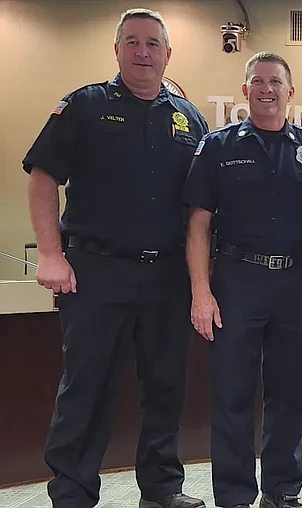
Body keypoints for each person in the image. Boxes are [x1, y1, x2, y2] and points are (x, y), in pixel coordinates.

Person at [22, 8, 207, 508]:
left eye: (153, 43)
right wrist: (50, 255)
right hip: (96, 272)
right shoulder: (83, 106)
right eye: (132, 42)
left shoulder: (190, 119)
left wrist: (200, 280)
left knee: (166, 384)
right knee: (88, 385)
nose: (143, 51)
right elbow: (42, 178)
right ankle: (73, 492)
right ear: (117, 50)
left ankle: (162, 489)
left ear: (168, 53)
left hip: (167, 275)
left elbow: (200, 208)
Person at [183, 51, 302, 508]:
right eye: (257, 81)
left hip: (295, 281)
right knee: (233, 391)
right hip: (236, 279)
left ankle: (282, 491)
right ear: (245, 89)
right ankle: (233, 495)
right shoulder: (218, 146)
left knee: (290, 392)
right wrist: (200, 291)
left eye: (275, 81)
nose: (266, 88)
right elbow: (198, 224)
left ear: (291, 92)